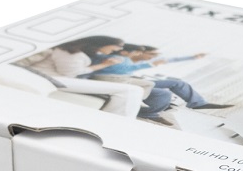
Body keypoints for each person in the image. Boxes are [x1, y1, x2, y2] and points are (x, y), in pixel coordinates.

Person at [16, 36, 169, 121]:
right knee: (132, 90)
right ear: (102, 44)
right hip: (53, 79)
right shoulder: (69, 52)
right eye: (115, 47)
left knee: (133, 90)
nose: (117, 50)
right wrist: (104, 65)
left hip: (60, 78)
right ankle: (115, 123)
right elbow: (69, 72)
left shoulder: (78, 53)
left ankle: (119, 121)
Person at [93, 44, 232, 112]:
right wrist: (149, 64)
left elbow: (170, 59)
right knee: (164, 91)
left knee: (177, 83)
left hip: (130, 79)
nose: (153, 57)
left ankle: (198, 103)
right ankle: (149, 111)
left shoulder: (137, 60)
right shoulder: (120, 59)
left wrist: (193, 57)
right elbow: (113, 68)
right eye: (151, 54)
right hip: (119, 80)